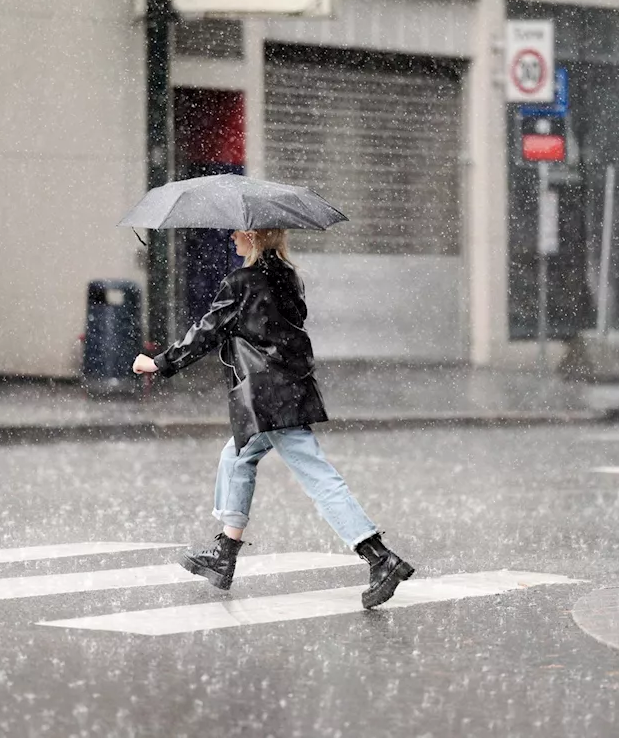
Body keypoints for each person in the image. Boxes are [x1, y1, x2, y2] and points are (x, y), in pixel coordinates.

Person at [132, 228, 415, 609]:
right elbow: (277, 329)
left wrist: (159, 363)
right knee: (236, 457)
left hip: (269, 395)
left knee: (316, 475)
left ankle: (379, 557)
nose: (232, 236)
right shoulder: (289, 277)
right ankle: (224, 555)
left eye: (238, 232)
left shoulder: (243, 282)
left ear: (252, 235)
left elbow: (207, 331)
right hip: (289, 385)